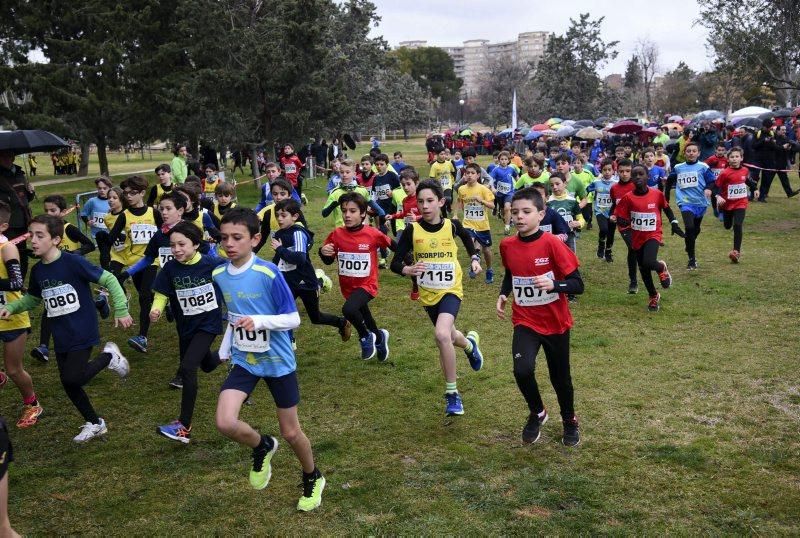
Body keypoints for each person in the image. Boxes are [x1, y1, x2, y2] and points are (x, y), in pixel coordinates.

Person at [213, 208, 325, 511]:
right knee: (224, 421)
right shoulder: (219, 274)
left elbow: (293, 320)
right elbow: (234, 317)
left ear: (255, 239)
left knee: (291, 432)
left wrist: (260, 322)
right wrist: (226, 347)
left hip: (277, 360)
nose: (230, 244)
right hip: (245, 358)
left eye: (238, 237)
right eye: (224, 238)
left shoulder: (268, 273)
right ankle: (262, 445)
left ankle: (312, 476)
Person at [1, 215, 132, 443]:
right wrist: (12, 307)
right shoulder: (39, 271)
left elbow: (109, 279)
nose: (33, 240)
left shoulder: (73, 262)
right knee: (68, 383)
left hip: (82, 328)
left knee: (73, 379)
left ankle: (108, 356)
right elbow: (32, 299)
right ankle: (95, 423)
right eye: (31, 235)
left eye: (40, 235)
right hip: (61, 333)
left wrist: (121, 309)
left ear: (56, 239)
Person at [497, 187, 584, 446]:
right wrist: (504, 294)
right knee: (522, 370)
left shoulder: (553, 244)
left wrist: (554, 286)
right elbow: (511, 273)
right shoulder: (507, 245)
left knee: (561, 378)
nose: (519, 217)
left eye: (526, 212)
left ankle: (569, 420)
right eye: (515, 213)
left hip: (555, 322)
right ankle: (538, 412)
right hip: (525, 320)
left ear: (541, 214)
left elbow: (578, 284)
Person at [390, 179, 484, 416]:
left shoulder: (452, 225)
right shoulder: (412, 229)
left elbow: (467, 240)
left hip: (451, 288)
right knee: (449, 336)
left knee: (441, 334)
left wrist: (474, 259)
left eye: (430, 200)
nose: (425, 205)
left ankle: (452, 394)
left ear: (441, 202)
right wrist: (407, 270)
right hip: (428, 293)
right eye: (421, 201)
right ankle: (470, 345)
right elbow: (395, 262)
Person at [150, 221, 223, 443]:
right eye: (173, 246)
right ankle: (230, 352)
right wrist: (156, 309)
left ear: (196, 244)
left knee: (188, 368)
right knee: (207, 364)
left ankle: (184, 426)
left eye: (182, 244)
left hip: (208, 324)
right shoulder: (170, 268)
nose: (177, 249)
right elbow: (162, 293)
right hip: (185, 326)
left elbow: (233, 278)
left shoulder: (213, 264)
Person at [320, 192, 393, 361]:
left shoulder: (372, 233)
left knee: (348, 310)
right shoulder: (336, 234)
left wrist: (407, 261)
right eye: (344, 211)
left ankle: (365, 336)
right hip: (348, 286)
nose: (347, 215)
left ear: (362, 213)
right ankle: (380, 338)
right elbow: (328, 260)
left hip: (368, 284)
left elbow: (394, 245)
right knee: (365, 316)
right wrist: (322, 251)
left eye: (352, 211)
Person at [271, 198, 350, 344]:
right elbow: (279, 258)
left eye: (283, 215)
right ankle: (288, 342)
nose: (279, 219)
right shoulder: (278, 234)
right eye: (277, 216)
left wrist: (280, 249)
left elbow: (300, 258)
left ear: (294, 216)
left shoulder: (298, 233)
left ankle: (342, 322)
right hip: (288, 282)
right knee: (281, 313)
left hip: (305, 281)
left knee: (316, 318)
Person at [613, 165, 684, 312]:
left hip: (653, 234)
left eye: (641, 174)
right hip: (637, 236)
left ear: (647, 176)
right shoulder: (628, 198)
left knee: (648, 261)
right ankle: (653, 295)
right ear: (631, 179)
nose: (638, 177)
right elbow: (619, 217)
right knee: (643, 269)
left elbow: (667, 208)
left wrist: (674, 223)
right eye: (635, 175)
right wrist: (621, 221)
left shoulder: (657, 194)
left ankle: (661, 267)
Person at [107, 175, 162, 352]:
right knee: (146, 296)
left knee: (145, 295)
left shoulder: (154, 213)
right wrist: (104, 242)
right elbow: (112, 238)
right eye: (126, 193)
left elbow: (165, 232)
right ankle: (163, 302)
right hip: (133, 264)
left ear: (143, 193)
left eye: (132, 193)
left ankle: (142, 336)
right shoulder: (124, 216)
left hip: (151, 261)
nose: (128, 196)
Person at [0, 202, 41, 428]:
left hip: (12, 317)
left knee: (14, 369)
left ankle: (32, 403)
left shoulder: (7, 249)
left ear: (3, 226)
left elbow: (16, 282)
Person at [665, 142, 716, 270]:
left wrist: (709, 189)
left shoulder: (703, 167)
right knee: (689, 226)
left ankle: (689, 242)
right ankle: (692, 259)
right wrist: (665, 196)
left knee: (695, 229)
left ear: (698, 153)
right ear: (684, 153)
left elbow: (711, 181)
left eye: (694, 151)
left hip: (700, 202)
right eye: (688, 151)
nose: (691, 153)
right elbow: (669, 181)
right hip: (685, 202)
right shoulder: (678, 167)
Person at [712, 147, 759, 263]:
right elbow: (716, 187)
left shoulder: (745, 170)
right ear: (728, 159)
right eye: (732, 157)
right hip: (727, 204)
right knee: (727, 226)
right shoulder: (725, 173)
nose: (734, 159)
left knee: (738, 225)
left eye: (737, 156)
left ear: (741, 158)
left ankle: (736, 251)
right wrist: (718, 197)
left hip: (741, 202)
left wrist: (755, 189)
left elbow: (747, 181)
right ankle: (720, 210)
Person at [384, 168, 421, 300]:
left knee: (421, 259)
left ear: (416, 183)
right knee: (408, 259)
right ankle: (416, 284)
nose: (405, 187)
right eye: (403, 185)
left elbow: (432, 215)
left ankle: (425, 283)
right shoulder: (405, 200)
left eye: (408, 184)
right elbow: (405, 214)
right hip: (408, 234)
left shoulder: (421, 199)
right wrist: (393, 216)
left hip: (422, 235)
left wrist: (418, 218)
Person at [456, 163, 496, 284]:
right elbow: (460, 201)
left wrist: (482, 201)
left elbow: (492, 205)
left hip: (483, 226)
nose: (469, 175)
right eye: (467, 173)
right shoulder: (462, 189)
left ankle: (489, 269)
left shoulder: (483, 189)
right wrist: (456, 214)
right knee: (470, 241)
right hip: (468, 223)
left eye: (472, 173)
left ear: (478, 175)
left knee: (486, 250)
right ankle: (475, 261)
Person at [0, 150, 35, 277]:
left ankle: (20, 282)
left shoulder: (20, 173)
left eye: (9, 156)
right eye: (3, 156)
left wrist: (31, 192)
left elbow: (26, 199)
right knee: (8, 252)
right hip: (7, 222)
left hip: (23, 220)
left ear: (13, 157)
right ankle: (9, 280)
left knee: (22, 252)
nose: (6, 159)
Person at [321, 159, 383, 228]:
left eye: (347, 172)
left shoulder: (362, 190)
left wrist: (383, 214)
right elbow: (324, 214)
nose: (344, 175)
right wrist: (333, 205)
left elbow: (372, 204)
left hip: (360, 230)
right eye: (342, 172)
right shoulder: (335, 193)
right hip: (342, 231)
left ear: (354, 174)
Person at [608, 160, 639, 293]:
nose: (624, 174)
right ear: (617, 171)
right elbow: (615, 205)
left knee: (640, 250)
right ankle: (633, 281)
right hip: (624, 224)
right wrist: (612, 215)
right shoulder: (614, 188)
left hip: (639, 223)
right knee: (632, 247)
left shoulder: (637, 185)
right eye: (621, 171)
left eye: (627, 171)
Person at [372, 154, 401, 269]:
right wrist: (372, 205)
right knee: (382, 233)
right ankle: (383, 258)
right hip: (382, 210)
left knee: (395, 233)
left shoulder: (392, 176)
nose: (379, 166)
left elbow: (401, 189)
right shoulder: (376, 178)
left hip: (393, 209)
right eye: (377, 164)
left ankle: (399, 250)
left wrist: (393, 192)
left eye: (381, 164)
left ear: (387, 165)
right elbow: (375, 194)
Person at [586, 159, 617, 262]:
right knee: (604, 229)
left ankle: (608, 252)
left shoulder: (616, 183)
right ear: (601, 171)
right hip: (600, 211)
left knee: (611, 234)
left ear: (613, 171)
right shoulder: (596, 182)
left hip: (613, 212)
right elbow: (586, 189)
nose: (607, 172)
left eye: (609, 170)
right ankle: (601, 244)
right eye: (604, 170)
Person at [490, 151, 519, 234]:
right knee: (503, 211)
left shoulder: (511, 169)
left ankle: (507, 227)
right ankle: (507, 221)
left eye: (505, 159)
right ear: (499, 160)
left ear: (508, 160)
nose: (503, 161)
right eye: (502, 159)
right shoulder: (496, 170)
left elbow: (517, 177)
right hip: (499, 194)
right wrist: (493, 188)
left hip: (509, 193)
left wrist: (519, 184)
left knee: (507, 208)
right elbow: (491, 180)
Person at [428, 149, 457, 218]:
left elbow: (453, 172)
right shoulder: (434, 166)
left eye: (444, 154)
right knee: (442, 202)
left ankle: (448, 207)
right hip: (439, 187)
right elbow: (432, 178)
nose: (443, 155)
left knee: (448, 199)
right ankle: (444, 216)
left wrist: (454, 180)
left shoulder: (449, 163)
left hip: (448, 185)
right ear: (437, 155)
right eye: (441, 154)